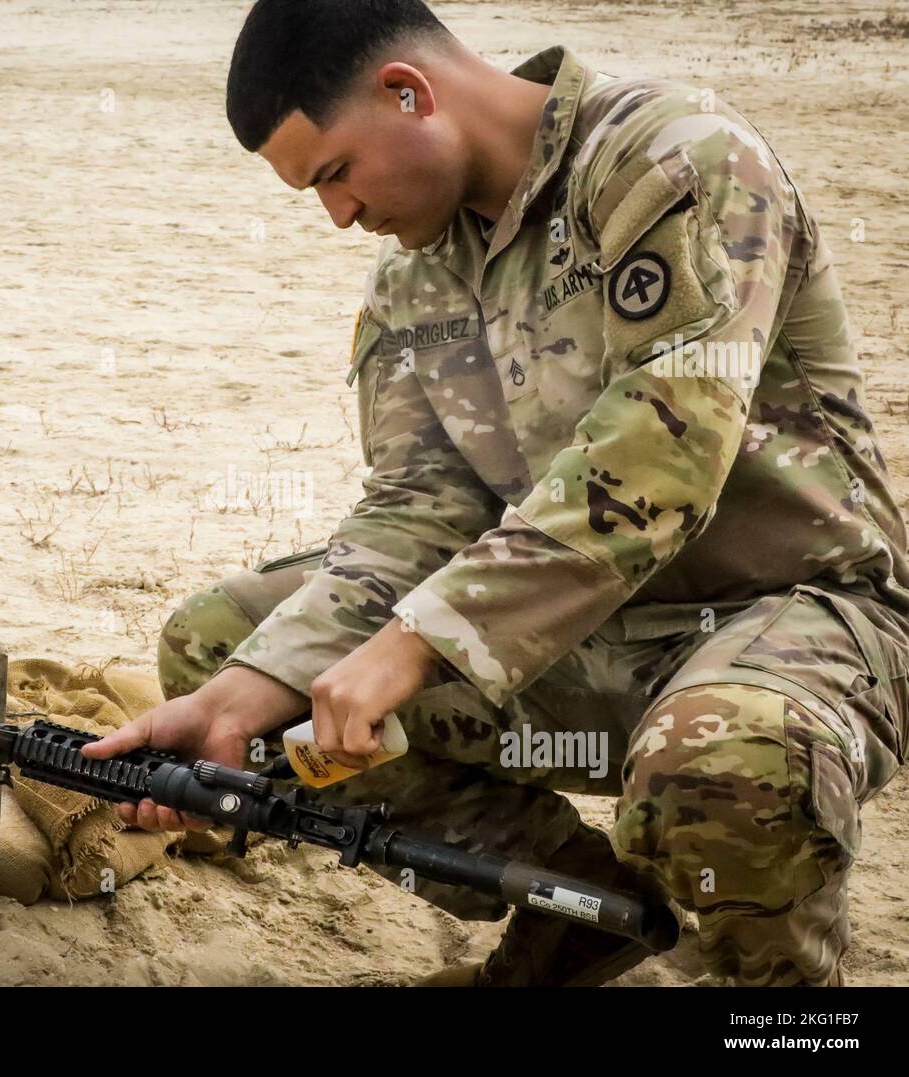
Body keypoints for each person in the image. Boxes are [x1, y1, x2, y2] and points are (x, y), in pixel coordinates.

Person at [83, 0, 909, 987]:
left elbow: (658, 463)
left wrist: (411, 644)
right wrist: (243, 694)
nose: (337, 215)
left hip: (791, 624)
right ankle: (579, 915)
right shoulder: (413, 281)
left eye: (334, 173)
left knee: (719, 758)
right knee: (220, 644)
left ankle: (781, 1008)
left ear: (407, 91)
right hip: (570, 648)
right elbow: (413, 516)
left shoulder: (671, 159)